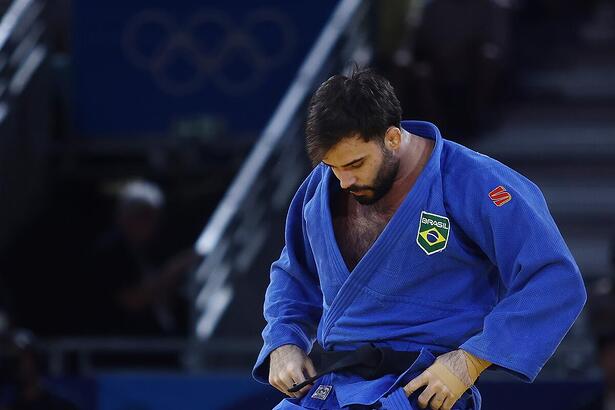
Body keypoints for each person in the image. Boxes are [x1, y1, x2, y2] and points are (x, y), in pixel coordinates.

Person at [252, 69, 586, 410]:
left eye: (356, 163)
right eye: (332, 166)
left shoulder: (473, 181)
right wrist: (283, 341)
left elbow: (554, 278)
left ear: (393, 138)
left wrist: (471, 360)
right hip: (333, 385)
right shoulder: (320, 189)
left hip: (420, 387)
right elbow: (293, 274)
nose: (343, 180)